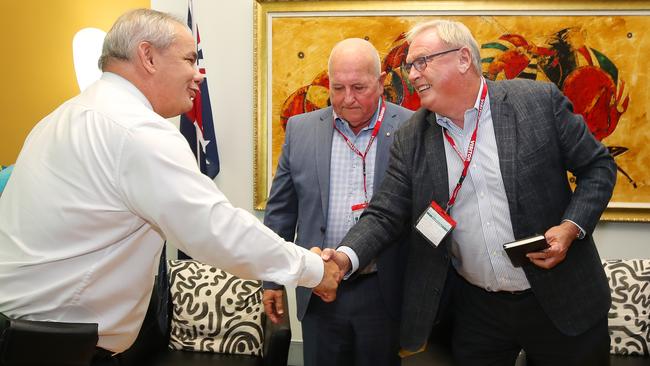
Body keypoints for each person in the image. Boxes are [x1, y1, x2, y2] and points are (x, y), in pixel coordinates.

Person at [0, 8, 340, 364]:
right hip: (50, 348)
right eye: (190, 60)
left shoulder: (64, 116)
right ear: (147, 56)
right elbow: (217, 229)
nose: (198, 75)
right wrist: (314, 270)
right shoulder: (135, 130)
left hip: (24, 332)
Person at [324, 19, 617, 366]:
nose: (413, 75)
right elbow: (385, 213)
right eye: (409, 66)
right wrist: (343, 257)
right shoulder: (411, 137)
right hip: (477, 310)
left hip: (561, 300)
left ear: (463, 58)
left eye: (422, 62)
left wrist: (570, 228)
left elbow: (598, 167)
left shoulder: (536, 103)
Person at [261, 38, 413, 366]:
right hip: (319, 291)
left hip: (383, 289)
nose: (348, 99)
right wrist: (271, 278)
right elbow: (281, 211)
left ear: (382, 82)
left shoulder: (412, 127)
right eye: (338, 87)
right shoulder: (301, 130)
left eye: (359, 87)